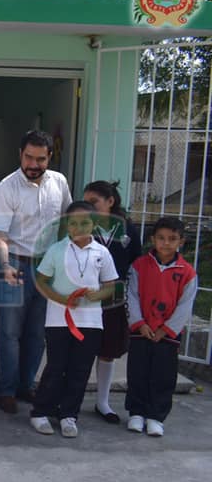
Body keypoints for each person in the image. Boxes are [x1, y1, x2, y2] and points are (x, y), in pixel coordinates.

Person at [0, 130, 72, 414]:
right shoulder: (7, 188)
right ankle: (7, 390)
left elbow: (67, 221)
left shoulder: (59, 182)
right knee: (10, 332)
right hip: (16, 262)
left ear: (50, 157)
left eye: (40, 159)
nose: (33, 164)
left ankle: (27, 385)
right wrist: (5, 265)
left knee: (37, 333)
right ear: (20, 154)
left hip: (47, 267)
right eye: (28, 157)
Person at [30, 202, 118, 437]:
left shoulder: (102, 252)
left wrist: (97, 294)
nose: (79, 228)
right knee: (56, 367)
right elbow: (41, 280)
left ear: (95, 223)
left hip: (91, 322)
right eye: (74, 223)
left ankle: (69, 414)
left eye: (85, 222)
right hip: (59, 321)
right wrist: (60, 298)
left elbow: (110, 285)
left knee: (81, 369)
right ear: (66, 225)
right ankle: (41, 411)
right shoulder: (56, 250)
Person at [126, 217, 197, 437]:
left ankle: (156, 416)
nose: (166, 243)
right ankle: (136, 413)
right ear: (152, 239)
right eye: (161, 238)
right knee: (138, 372)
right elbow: (131, 296)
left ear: (181, 242)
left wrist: (165, 329)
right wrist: (139, 323)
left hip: (166, 335)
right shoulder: (139, 265)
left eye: (172, 239)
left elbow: (185, 306)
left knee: (163, 376)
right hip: (142, 331)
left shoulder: (187, 272)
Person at [82, 180, 142, 423]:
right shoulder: (83, 226)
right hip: (86, 301)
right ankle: (70, 400)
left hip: (115, 301)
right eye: (86, 202)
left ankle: (102, 402)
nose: (89, 207)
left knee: (108, 352)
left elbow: (136, 261)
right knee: (82, 352)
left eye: (94, 202)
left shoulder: (127, 228)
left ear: (110, 201)